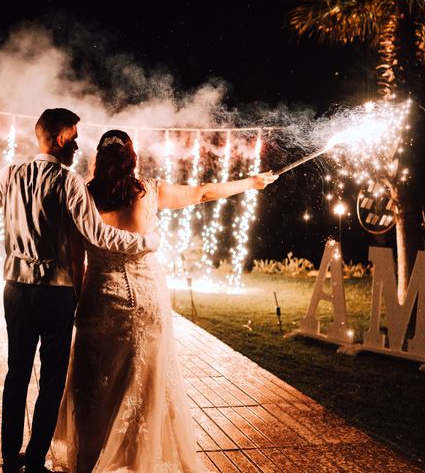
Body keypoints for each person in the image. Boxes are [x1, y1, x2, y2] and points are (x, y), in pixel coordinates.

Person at [0, 110, 160, 473]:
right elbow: (98, 235)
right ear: (59, 139)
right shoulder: (69, 182)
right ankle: (35, 459)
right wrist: (146, 242)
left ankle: (11, 460)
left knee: (17, 373)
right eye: (73, 137)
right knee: (52, 377)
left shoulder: (11, 174)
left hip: (17, 292)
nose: (76, 145)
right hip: (56, 294)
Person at [50, 130, 277, 473]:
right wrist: (251, 182)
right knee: (147, 386)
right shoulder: (149, 190)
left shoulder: (82, 197)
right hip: (147, 302)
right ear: (132, 158)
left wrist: (79, 303)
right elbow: (204, 192)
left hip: (99, 299)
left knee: (94, 385)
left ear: (99, 158)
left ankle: (89, 463)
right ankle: (140, 462)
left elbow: (75, 259)